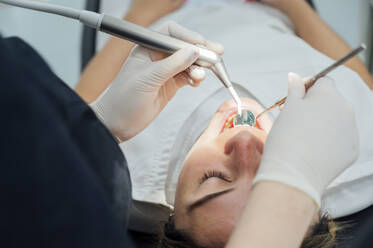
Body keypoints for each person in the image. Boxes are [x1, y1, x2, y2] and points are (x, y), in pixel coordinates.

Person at [0, 4, 361, 248]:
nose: (246, 146)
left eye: (214, 179)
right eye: (271, 171)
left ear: (170, 206)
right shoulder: (346, 145)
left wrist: (143, 12)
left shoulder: (123, 174)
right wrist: (295, 6)